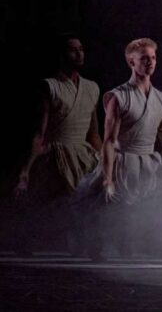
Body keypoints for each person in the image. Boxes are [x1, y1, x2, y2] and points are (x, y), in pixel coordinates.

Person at [74, 38, 162, 259]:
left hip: (148, 160)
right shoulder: (118, 97)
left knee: (141, 210)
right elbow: (109, 140)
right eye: (144, 59)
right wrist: (107, 178)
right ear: (131, 61)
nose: (150, 62)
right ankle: (96, 243)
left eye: (153, 58)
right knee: (109, 204)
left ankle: (129, 243)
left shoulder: (160, 98)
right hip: (122, 161)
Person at [9, 34, 101, 253]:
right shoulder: (50, 86)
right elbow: (40, 133)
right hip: (56, 153)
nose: (79, 53)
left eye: (81, 49)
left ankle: (87, 243)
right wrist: (26, 171)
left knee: (91, 193)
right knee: (49, 199)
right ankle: (28, 238)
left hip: (83, 153)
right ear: (62, 55)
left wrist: (107, 161)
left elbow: (94, 134)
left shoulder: (92, 88)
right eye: (72, 50)